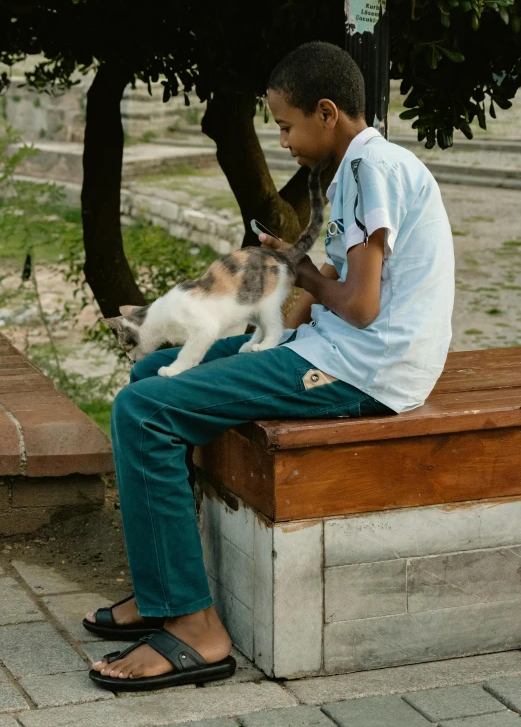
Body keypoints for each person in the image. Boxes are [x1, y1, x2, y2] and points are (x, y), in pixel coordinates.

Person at [85, 41, 455, 691]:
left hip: (364, 370)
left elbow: (361, 306)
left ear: (327, 112)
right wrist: (291, 276)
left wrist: (299, 268)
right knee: (151, 378)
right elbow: (341, 295)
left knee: (142, 410)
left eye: (285, 125)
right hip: (336, 350)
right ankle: (161, 585)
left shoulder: (371, 171)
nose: (280, 140)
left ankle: (196, 630)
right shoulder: (358, 170)